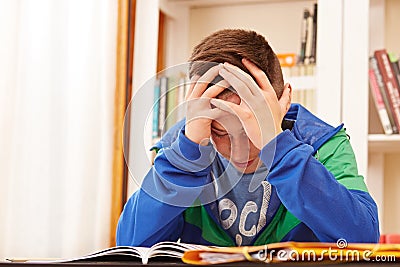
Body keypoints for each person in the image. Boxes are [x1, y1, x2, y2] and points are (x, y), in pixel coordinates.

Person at [116, 29, 379, 247]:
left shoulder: (324, 143)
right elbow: (131, 246)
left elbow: (363, 241)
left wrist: (277, 147)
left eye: (250, 128)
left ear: (284, 101)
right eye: (220, 132)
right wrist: (186, 155)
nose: (239, 149)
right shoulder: (183, 147)